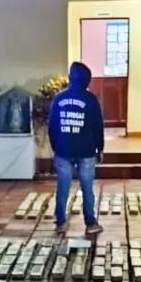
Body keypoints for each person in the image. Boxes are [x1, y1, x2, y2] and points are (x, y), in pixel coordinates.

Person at [49, 62, 105, 235]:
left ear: (70, 77)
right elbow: (98, 126)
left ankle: (60, 222)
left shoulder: (58, 99)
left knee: (63, 187)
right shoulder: (91, 100)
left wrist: (55, 147)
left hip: (63, 151)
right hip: (86, 151)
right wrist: (100, 148)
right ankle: (90, 223)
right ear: (87, 80)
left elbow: (52, 126)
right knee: (87, 188)